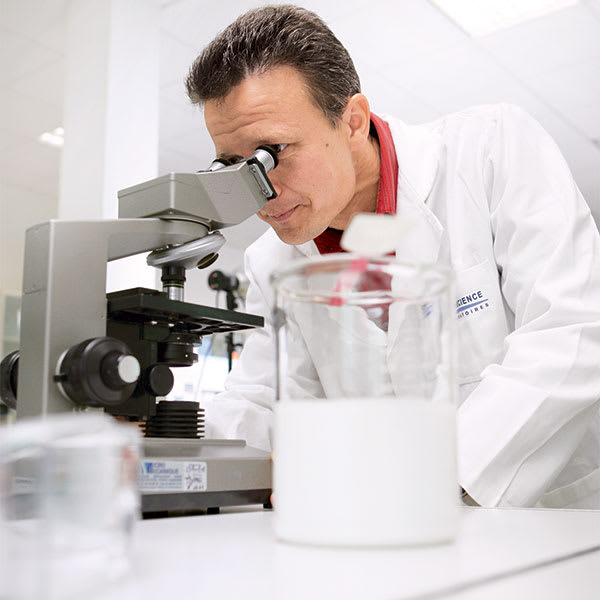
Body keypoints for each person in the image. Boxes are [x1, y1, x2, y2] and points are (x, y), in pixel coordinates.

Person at [185, 5, 600, 509]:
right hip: (385, 533)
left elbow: (572, 331)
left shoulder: (490, 151)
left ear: (353, 121)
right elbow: (259, 403)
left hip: (546, 521)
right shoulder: (271, 261)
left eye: (273, 152)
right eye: (233, 165)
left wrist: (423, 481)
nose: (260, 191)